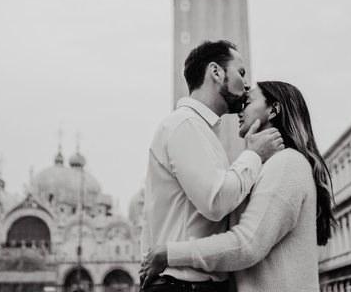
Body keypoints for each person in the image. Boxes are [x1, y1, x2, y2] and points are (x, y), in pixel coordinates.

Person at [141, 81, 336, 292]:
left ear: (273, 110)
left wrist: (169, 254)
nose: (238, 111)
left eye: (248, 102)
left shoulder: (287, 164)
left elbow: (247, 244)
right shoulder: (264, 166)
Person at [140, 40, 284, 292]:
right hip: (183, 286)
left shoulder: (199, 129)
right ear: (216, 72)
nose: (247, 83)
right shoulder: (185, 125)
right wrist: (254, 155)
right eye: (240, 72)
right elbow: (217, 202)